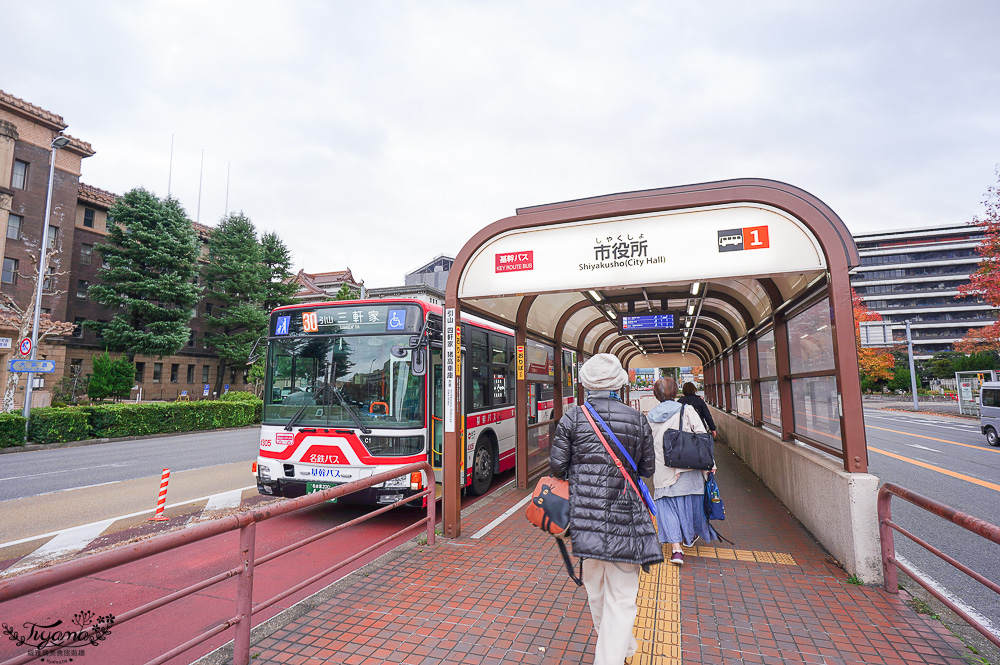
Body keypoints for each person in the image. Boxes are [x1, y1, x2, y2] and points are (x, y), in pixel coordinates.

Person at [550, 353, 662, 665]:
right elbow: (647, 470)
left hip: (586, 520)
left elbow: (558, 468)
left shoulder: (572, 418)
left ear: (586, 384)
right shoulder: (637, 419)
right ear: (620, 384)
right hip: (626, 519)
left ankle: (613, 654)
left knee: (596, 592)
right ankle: (619, 650)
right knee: (623, 598)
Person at [648, 376, 718, 565]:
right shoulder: (687, 410)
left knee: (667, 507)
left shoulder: (650, 416)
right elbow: (702, 437)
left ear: (656, 395)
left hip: (664, 469)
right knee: (690, 503)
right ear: (676, 392)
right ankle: (688, 536)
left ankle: (676, 550)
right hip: (689, 465)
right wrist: (711, 464)